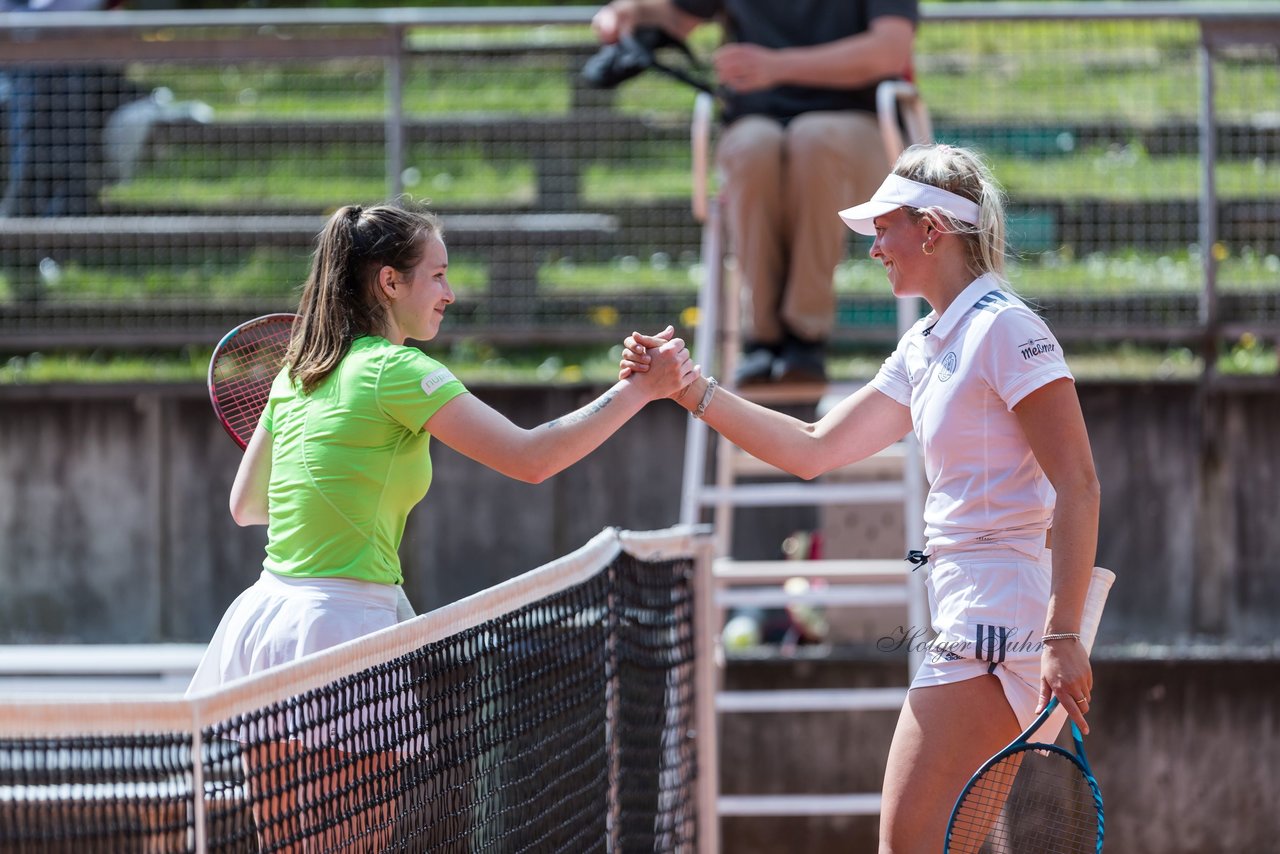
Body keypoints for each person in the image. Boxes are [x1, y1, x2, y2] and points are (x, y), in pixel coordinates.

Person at [624, 143, 1101, 852]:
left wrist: (1063, 636)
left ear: (933, 230)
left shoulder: (1006, 327)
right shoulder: (927, 341)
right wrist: (690, 388)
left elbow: (1080, 484)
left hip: (1000, 624)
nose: (874, 247)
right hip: (982, 616)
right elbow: (813, 449)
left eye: (885, 228)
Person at [186, 203, 696, 850]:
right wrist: (640, 392)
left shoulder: (297, 371)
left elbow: (246, 506)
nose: (451, 293)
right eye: (438, 275)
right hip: (341, 631)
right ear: (390, 282)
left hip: (266, 624)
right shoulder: (397, 371)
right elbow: (531, 458)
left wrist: (334, 481)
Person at [593, 0, 918, 385]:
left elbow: (890, 50)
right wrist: (626, 13)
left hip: (860, 129)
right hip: (758, 124)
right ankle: (761, 339)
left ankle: (805, 337)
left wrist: (778, 66)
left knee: (812, 140)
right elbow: (677, 16)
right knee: (752, 148)